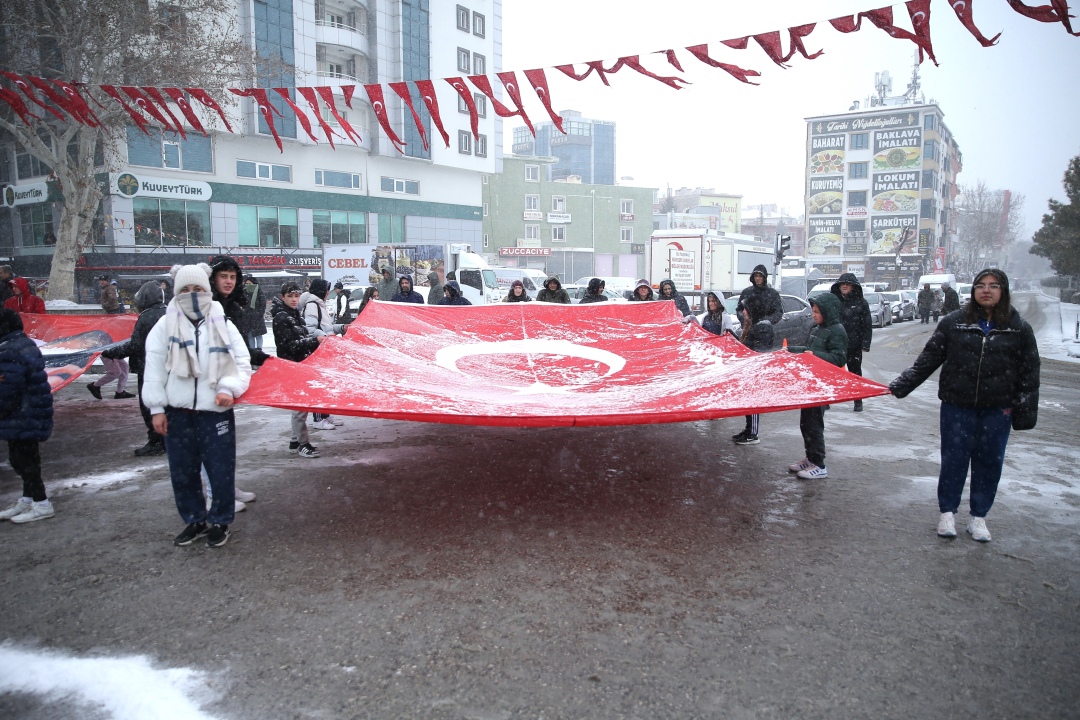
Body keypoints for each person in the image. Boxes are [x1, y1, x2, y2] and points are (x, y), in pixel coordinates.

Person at [889, 269, 1040, 543]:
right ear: (973, 291)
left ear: (1003, 291)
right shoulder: (954, 323)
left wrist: (1024, 411)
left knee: (989, 462)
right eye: (981, 286)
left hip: (998, 409)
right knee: (954, 460)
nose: (986, 290)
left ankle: (978, 517)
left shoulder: (1018, 329)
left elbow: (1030, 373)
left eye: (994, 286)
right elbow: (929, 358)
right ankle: (947, 512)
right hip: (957, 406)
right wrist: (902, 385)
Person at [142, 263, 252, 548]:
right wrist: (156, 408)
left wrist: (229, 388)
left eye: (199, 289)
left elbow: (241, 362)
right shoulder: (164, 326)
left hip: (215, 412)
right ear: (176, 292)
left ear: (207, 290)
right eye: (186, 290)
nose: (192, 295)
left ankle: (220, 520)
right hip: (177, 413)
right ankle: (194, 519)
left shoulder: (223, 323)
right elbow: (153, 369)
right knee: (183, 470)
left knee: (220, 469)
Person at [102, 280, 171, 457]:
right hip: (167, 367)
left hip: (148, 366)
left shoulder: (147, 316)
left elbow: (136, 345)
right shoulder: (168, 312)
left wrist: (112, 352)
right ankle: (168, 439)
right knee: (165, 404)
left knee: (148, 404)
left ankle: (156, 441)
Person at [0, 309, 56, 524]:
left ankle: (42, 503)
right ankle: (28, 499)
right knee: (27, 457)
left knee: (21, 460)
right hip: (30, 412)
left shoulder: (9, 351)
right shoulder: (21, 344)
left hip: (22, 415)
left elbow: (6, 389)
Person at [786, 292, 848, 480]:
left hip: (821, 386)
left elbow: (839, 358)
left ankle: (819, 464)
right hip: (810, 384)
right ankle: (810, 458)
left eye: (817, 312)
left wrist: (815, 356)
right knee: (805, 424)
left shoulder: (837, 330)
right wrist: (789, 351)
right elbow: (808, 351)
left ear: (827, 312)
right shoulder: (817, 328)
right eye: (813, 311)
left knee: (814, 425)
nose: (814, 315)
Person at [271, 281, 324, 458]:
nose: (294, 299)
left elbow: (301, 339)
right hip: (291, 366)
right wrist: (314, 341)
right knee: (301, 407)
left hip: (300, 365)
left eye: (296, 296)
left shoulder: (295, 315)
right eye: (290, 296)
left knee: (300, 405)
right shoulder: (281, 318)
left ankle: (295, 441)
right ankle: (303, 444)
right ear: (282, 297)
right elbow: (289, 345)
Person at [302, 279, 346, 431]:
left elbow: (325, 326)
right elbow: (309, 329)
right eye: (327, 290)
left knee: (326, 382)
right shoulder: (312, 305)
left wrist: (340, 328)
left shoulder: (319, 304)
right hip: (317, 349)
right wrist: (326, 337)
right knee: (319, 383)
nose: (329, 292)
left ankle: (326, 414)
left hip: (324, 348)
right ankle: (318, 418)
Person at [209, 256, 267, 367]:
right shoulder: (206, 306)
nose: (229, 281)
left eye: (232, 277)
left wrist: (258, 357)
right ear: (213, 279)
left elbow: (240, 347)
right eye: (223, 276)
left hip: (233, 373)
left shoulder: (235, 309)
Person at [732, 295, 775, 446]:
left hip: (755, 371)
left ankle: (753, 433)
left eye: (745, 309)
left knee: (753, 402)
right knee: (747, 402)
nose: (743, 312)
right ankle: (748, 429)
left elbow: (759, 351)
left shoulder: (762, 327)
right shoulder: (751, 325)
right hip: (748, 370)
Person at [830, 273, 873, 412]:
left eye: (847, 284)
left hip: (853, 345)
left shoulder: (861, 302)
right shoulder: (833, 301)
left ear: (853, 286)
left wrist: (865, 343)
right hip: (835, 345)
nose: (844, 286)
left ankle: (858, 401)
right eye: (842, 283)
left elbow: (867, 324)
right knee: (829, 372)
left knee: (855, 373)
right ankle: (826, 400)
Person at [244, 277, 269, 350]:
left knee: (258, 335)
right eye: (246, 283)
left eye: (249, 283)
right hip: (247, 317)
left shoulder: (258, 291)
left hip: (257, 318)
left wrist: (259, 314)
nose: (247, 285)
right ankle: (252, 350)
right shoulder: (244, 291)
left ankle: (259, 349)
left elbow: (263, 303)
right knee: (250, 335)